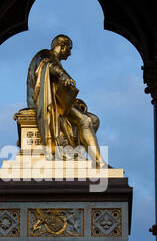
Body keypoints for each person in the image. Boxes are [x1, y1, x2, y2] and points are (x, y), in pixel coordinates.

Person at [27, 35, 105, 167]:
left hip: (58, 105)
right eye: (69, 48)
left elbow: (58, 90)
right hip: (48, 106)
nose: (70, 53)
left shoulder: (56, 60)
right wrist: (62, 74)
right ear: (62, 46)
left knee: (94, 120)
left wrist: (75, 101)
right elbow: (46, 66)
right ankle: (99, 163)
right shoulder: (46, 54)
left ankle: (77, 152)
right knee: (85, 120)